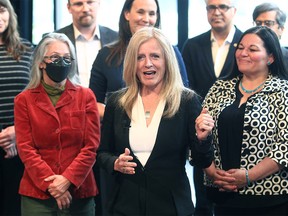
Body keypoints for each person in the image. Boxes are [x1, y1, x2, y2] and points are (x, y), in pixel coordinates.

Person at [97, 26, 213, 216]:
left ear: (167, 61)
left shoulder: (186, 101)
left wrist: (202, 139)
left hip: (172, 207)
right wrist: (115, 163)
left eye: (155, 56)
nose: (147, 63)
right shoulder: (117, 102)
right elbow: (102, 153)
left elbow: (202, 161)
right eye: (140, 57)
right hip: (125, 207)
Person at [196, 26, 288, 216]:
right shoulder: (219, 87)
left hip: (269, 198)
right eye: (240, 48)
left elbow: (285, 146)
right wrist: (213, 174)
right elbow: (199, 135)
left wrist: (248, 176)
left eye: (252, 49)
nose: (243, 53)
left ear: (270, 57)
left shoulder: (283, 91)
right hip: (222, 195)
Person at [14, 32, 100, 216]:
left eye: (66, 58)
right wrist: (53, 186)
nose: (61, 62)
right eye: (55, 57)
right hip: (37, 195)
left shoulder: (86, 96)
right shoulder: (24, 100)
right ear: (41, 62)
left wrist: (67, 180)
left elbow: (91, 146)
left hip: (79, 193)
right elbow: (25, 148)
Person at [181, 0, 242, 215]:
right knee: (203, 200)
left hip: (238, 130)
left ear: (234, 10)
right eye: (211, 7)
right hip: (200, 132)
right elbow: (186, 89)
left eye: (223, 7)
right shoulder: (192, 45)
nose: (216, 12)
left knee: (234, 192)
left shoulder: (245, 45)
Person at [89, 0, 189, 119]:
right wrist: (123, 117)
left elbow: (182, 95)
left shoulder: (171, 52)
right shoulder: (106, 55)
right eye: (140, 12)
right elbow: (93, 103)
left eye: (152, 13)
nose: (146, 19)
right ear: (127, 14)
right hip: (121, 130)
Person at [0, 0, 33, 215]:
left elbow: (37, 98)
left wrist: (16, 131)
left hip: (21, 143)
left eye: (1, 9)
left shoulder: (27, 49)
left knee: (14, 207)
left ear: (10, 13)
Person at [55, 0, 118, 87]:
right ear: (69, 8)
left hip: (107, 100)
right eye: (78, 4)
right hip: (68, 99)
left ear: (98, 4)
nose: (85, 9)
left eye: (90, 2)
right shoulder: (55, 41)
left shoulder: (116, 39)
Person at [252, 2, 288, 70]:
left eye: (268, 23)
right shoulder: (244, 56)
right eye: (258, 23)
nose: (261, 28)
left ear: (281, 29)